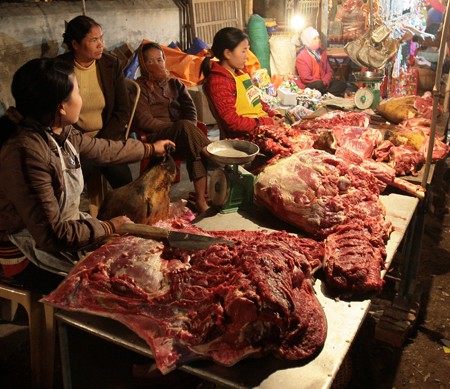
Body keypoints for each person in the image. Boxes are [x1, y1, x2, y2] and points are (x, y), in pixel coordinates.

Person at [0, 57, 174, 292]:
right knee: (121, 286)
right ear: (61, 106)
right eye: (78, 92)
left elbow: (103, 149)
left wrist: (150, 149)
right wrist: (109, 227)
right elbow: (52, 235)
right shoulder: (25, 152)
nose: (81, 99)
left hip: (62, 231)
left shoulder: (58, 130)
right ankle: (68, 329)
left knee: (141, 262)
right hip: (25, 253)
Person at [133, 41, 210, 214]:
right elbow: (143, 120)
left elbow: (190, 110)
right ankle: (213, 152)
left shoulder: (176, 84)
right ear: (143, 64)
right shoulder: (139, 88)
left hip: (183, 135)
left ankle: (200, 200)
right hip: (156, 136)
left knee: (192, 140)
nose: (157, 64)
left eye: (159, 59)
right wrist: (178, 127)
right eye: (150, 61)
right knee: (186, 130)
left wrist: (187, 128)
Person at [59, 15, 132, 189]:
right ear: (75, 44)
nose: (101, 44)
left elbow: (123, 110)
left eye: (101, 38)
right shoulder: (59, 68)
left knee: (124, 181)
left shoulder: (111, 64)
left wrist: (100, 142)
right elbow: (57, 111)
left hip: (107, 137)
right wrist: (80, 141)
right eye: (93, 40)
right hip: (74, 141)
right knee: (77, 178)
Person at [200, 27, 284, 139]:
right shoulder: (218, 82)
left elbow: (256, 101)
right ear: (228, 53)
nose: (247, 56)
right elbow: (232, 122)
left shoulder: (240, 72)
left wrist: (272, 115)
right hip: (245, 139)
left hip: (261, 129)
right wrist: (266, 121)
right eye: (243, 51)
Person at [295, 26, 348, 97]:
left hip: (323, 83)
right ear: (308, 40)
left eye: (318, 38)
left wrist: (325, 81)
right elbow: (305, 78)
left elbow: (329, 71)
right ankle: (325, 94)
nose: (318, 40)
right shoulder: (302, 57)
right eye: (315, 39)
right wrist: (321, 82)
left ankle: (322, 94)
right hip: (311, 84)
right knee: (318, 85)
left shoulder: (322, 53)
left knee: (342, 84)